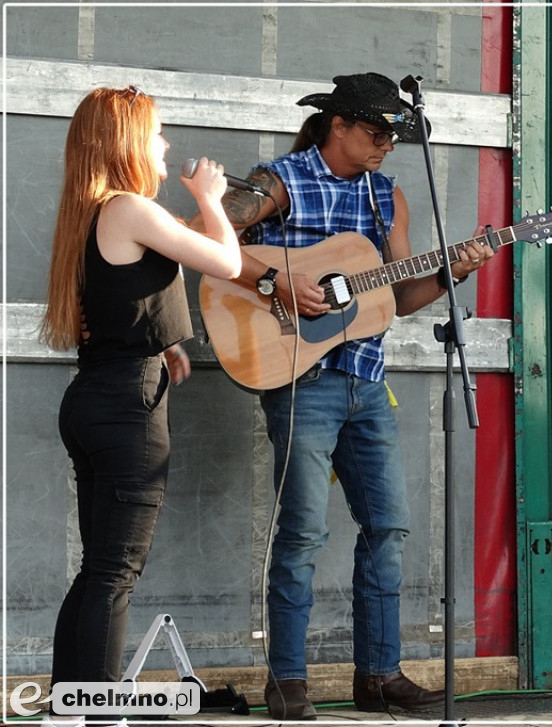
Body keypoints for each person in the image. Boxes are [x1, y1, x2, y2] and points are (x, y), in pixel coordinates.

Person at [215, 72, 493, 719]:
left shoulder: (386, 198)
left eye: (391, 137)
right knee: (304, 533)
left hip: (367, 380)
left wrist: (452, 270)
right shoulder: (279, 181)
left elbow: (396, 297)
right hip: (297, 377)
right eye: (373, 133)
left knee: (388, 526)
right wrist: (278, 282)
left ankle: (378, 674)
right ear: (337, 125)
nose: (384, 145)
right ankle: (287, 680)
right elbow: (210, 238)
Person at [39, 87, 241, 724]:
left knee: (97, 570)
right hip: (125, 408)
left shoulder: (96, 214)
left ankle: (67, 705)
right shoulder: (130, 206)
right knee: (115, 574)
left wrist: (167, 346)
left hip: (99, 395)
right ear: (126, 142)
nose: (165, 147)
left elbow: (125, 298)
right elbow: (228, 261)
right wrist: (210, 201)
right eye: (155, 134)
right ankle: (96, 712)